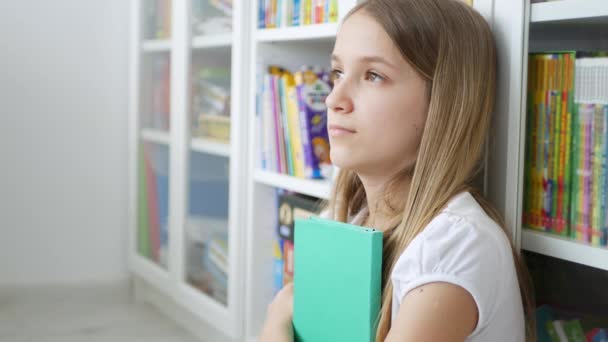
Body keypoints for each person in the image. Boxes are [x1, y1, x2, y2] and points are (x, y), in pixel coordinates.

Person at [260, 0, 535, 341]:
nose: (334, 99)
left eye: (373, 76)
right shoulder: (352, 217)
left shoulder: (456, 247)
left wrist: (275, 324)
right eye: (337, 73)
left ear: (442, 103)